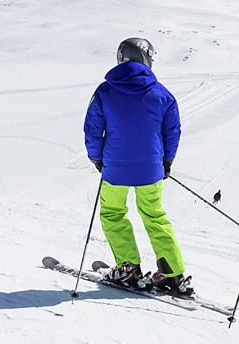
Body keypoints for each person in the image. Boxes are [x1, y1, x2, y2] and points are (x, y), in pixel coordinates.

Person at [83, 37, 192, 296]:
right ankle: (173, 273)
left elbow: (92, 129)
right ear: (146, 59)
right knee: (154, 215)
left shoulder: (105, 91)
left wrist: (97, 158)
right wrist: (166, 162)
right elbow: (172, 131)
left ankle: (128, 267)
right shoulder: (162, 94)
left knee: (112, 213)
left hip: (115, 168)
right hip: (151, 169)